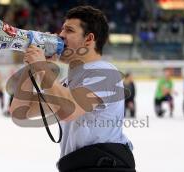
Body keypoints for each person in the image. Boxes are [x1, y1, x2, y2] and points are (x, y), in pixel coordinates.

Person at [10, 6, 135, 172]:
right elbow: (20, 111)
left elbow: (68, 111)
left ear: (89, 39)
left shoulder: (106, 73)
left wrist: (41, 67)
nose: (60, 35)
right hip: (78, 165)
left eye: (69, 30)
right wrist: (32, 66)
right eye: (62, 29)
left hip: (103, 165)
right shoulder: (65, 84)